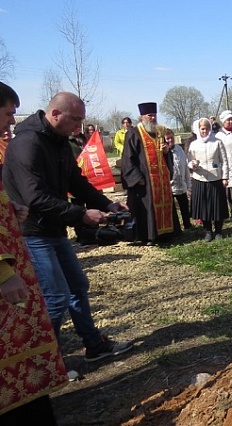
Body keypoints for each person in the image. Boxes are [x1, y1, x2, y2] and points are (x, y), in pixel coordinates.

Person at [2, 91, 134, 365]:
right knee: (56, 296)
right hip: (33, 232)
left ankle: (94, 345)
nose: (79, 127)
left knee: (77, 285)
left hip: (54, 228)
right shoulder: (28, 144)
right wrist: (82, 215)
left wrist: (108, 205)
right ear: (55, 114)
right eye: (75, 120)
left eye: (81, 120)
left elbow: (77, 182)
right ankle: (51, 361)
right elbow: (34, 197)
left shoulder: (59, 141)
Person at [0, 82, 68, 425]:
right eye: (9, 113)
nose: (11, 122)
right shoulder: (27, 144)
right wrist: (4, 272)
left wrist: (6, 206)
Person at [121, 102, 174, 246]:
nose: (152, 118)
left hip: (161, 180)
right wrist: (137, 178)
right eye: (149, 115)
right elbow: (127, 158)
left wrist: (166, 151)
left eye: (154, 115)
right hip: (144, 182)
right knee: (147, 209)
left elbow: (165, 155)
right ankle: (149, 235)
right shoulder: (133, 133)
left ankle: (166, 233)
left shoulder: (159, 132)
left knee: (164, 204)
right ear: (142, 117)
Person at [188, 118, 229, 241]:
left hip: (215, 178)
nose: (204, 131)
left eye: (206, 128)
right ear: (198, 130)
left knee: (217, 206)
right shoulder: (194, 144)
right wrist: (192, 165)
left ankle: (218, 231)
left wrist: (225, 177)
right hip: (200, 178)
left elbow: (224, 161)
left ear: (210, 129)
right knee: (204, 206)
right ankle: (208, 231)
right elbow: (189, 161)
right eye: (202, 129)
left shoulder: (217, 142)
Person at [164, 129, 192, 234]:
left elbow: (185, 166)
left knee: (184, 206)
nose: (170, 140)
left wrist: (188, 182)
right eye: (168, 138)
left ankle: (187, 224)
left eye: (171, 138)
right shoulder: (163, 152)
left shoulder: (179, 149)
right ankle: (174, 228)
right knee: (172, 210)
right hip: (170, 186)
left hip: (181, 184)